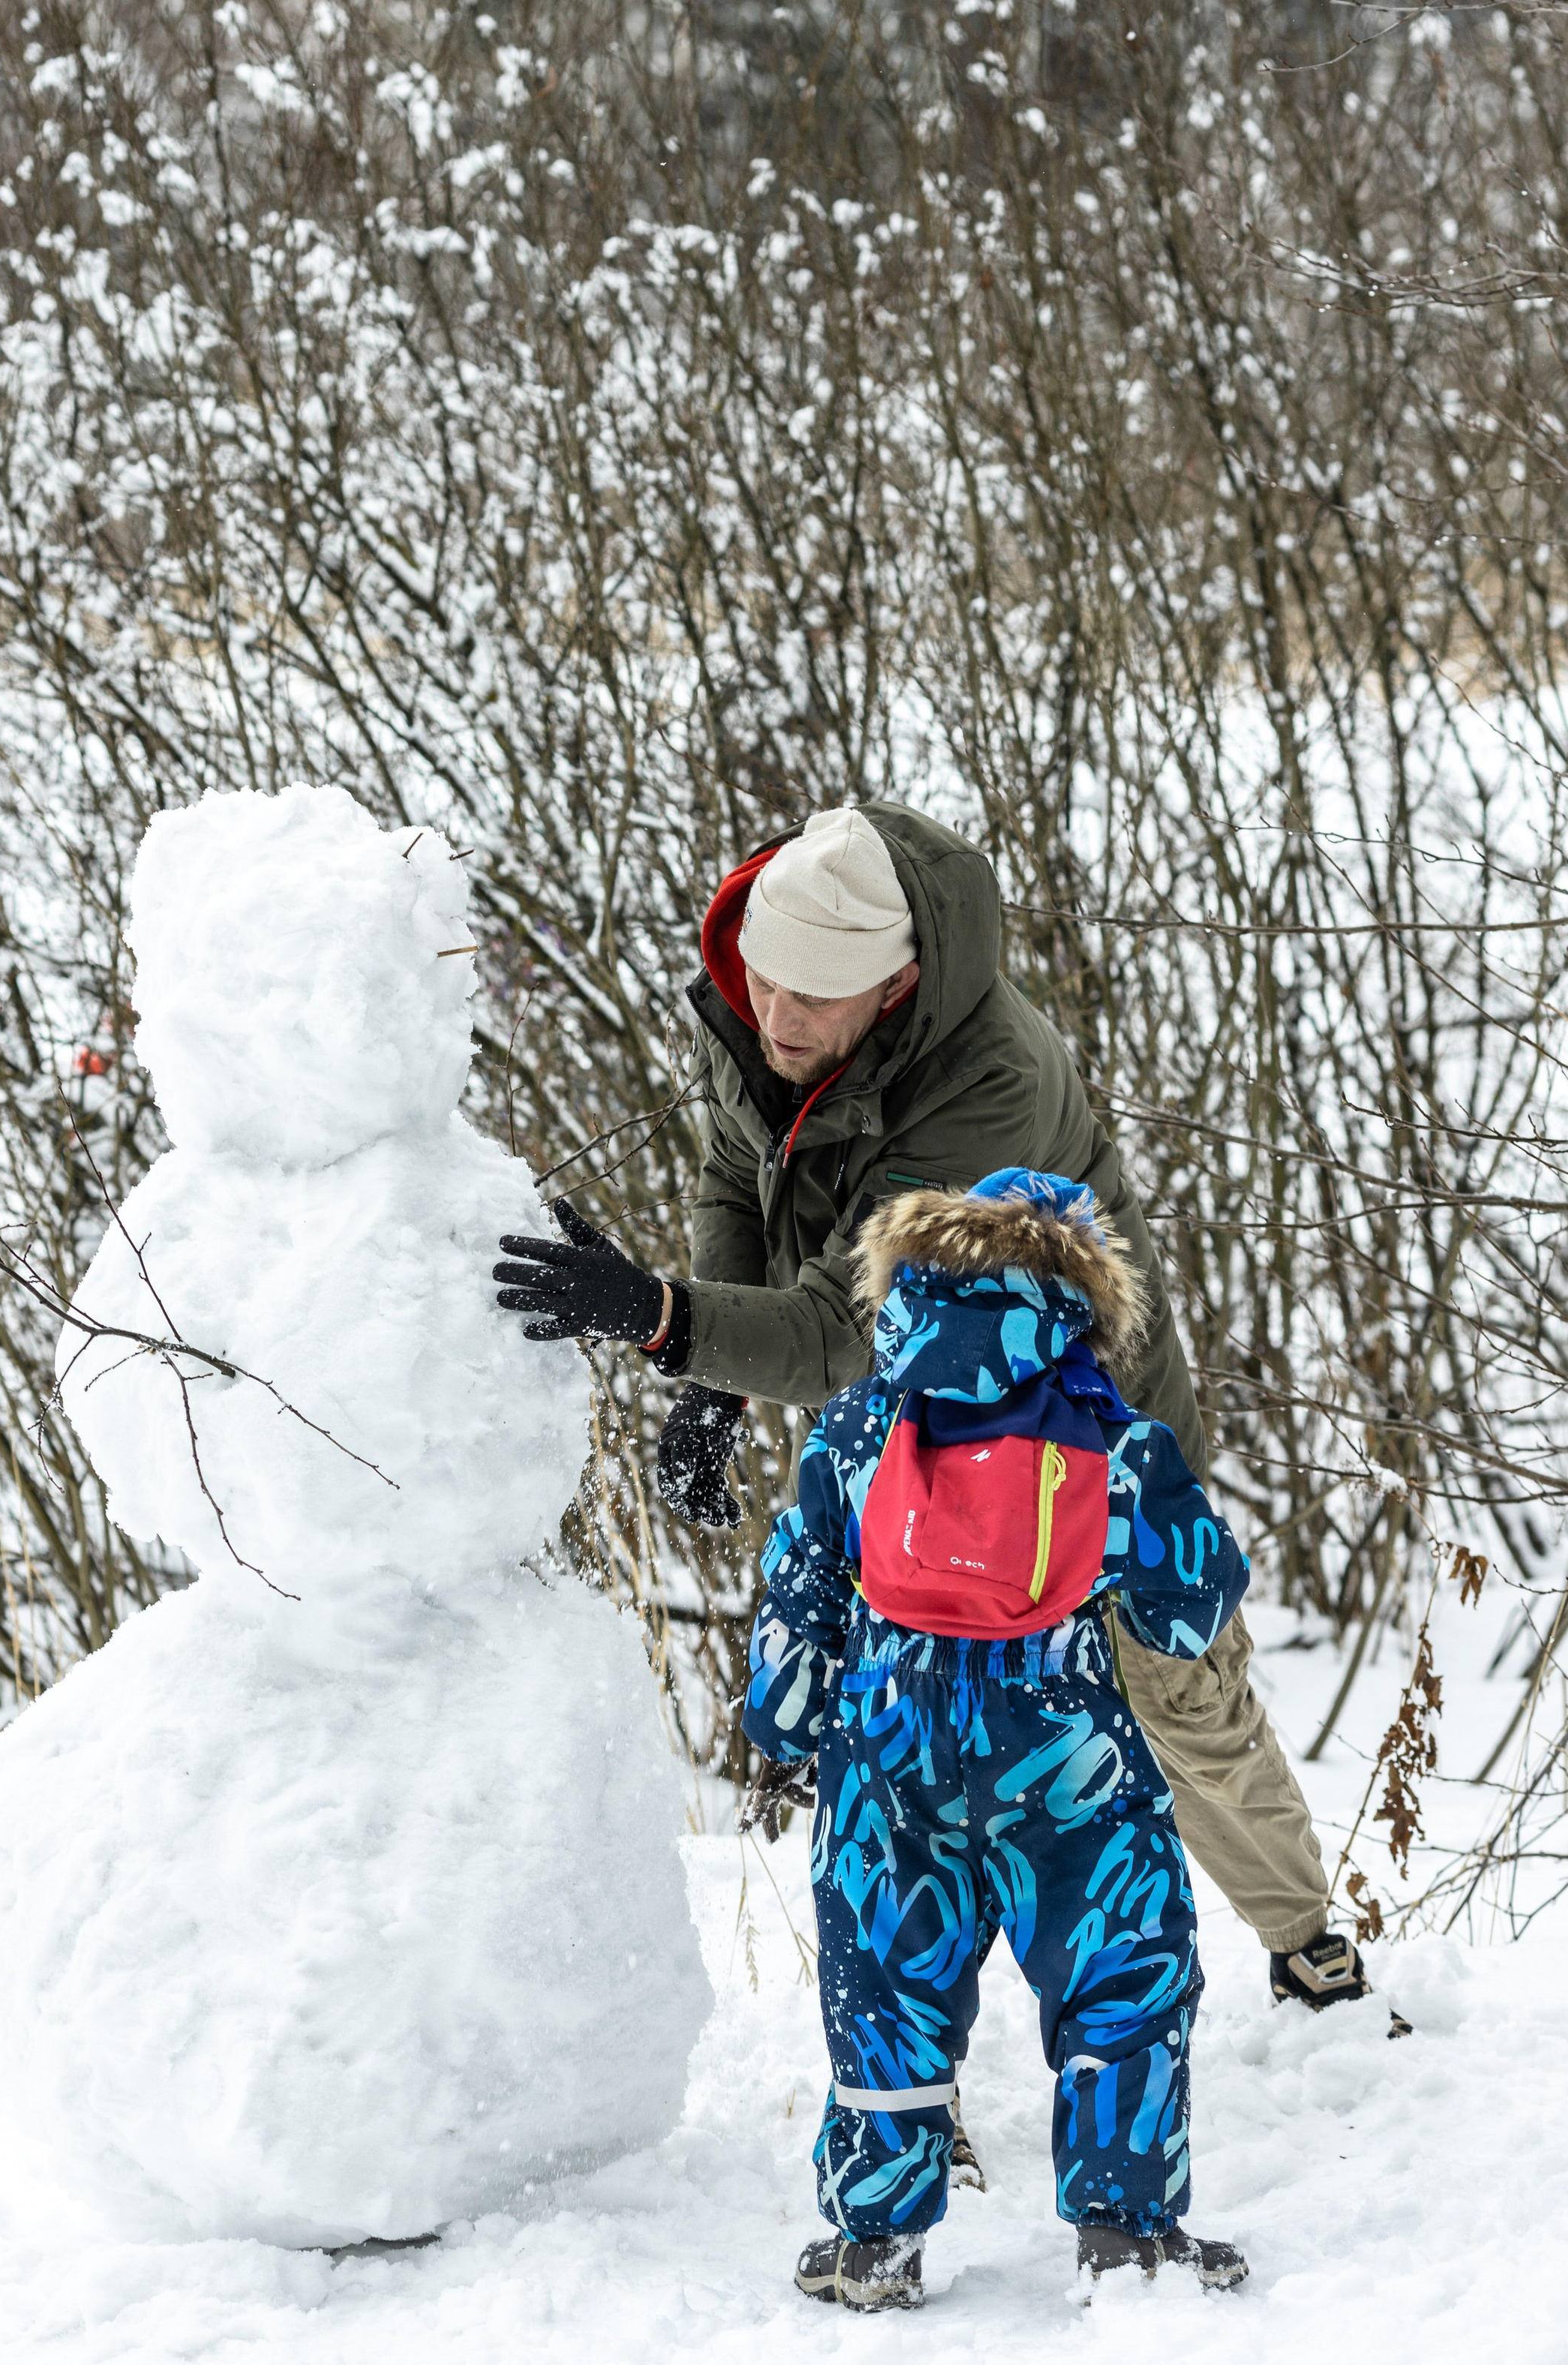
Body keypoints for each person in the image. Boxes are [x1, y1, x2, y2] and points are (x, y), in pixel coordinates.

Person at [494, 801, 1363, 2014]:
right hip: (898, 1439)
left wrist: (665, 1317)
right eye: (765, 982)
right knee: (896, 1726)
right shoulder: (763, 1001)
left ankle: (1304, 1934)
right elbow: (731, 1173)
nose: (777, 1017)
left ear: (897, 987)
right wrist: (710, 1374)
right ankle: (912, 2085)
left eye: (814, 998)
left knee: (1178, 1696)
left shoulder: (987, 1085)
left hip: (1077, 1434)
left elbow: (848, 1327)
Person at [739, 1169, 1251, 2309]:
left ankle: (874, 2243)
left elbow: (802, 1578)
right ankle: (1128, 2235)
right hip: (1062, 1747)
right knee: (1125, 1967)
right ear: (1080, 1291)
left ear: (915, 1275)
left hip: (888, 1746)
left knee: (885, 1983)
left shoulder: (862, 1420)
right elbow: (1188, 1608)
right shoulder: (1110, 1435)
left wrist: (784, 1722)